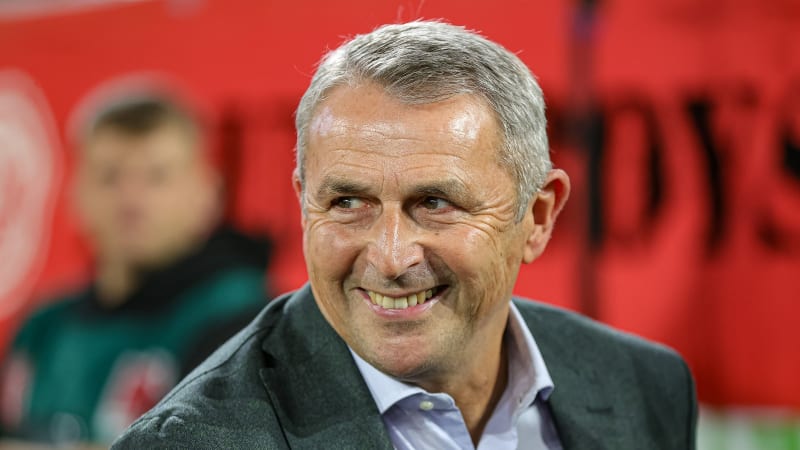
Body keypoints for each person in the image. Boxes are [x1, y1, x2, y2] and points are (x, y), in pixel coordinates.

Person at [112, 21, 697, 449]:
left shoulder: (647, 386)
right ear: (302, 204)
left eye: (435, 203)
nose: (390, 256)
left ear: (537, 216)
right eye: (347, 202)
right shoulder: (192, 441)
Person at [0, 93, 271, 445]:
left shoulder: (244, 323)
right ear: (75, 192)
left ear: (207, 193)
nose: (131, 199)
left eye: (156, 177)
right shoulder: (43, 327)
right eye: (110, 176)